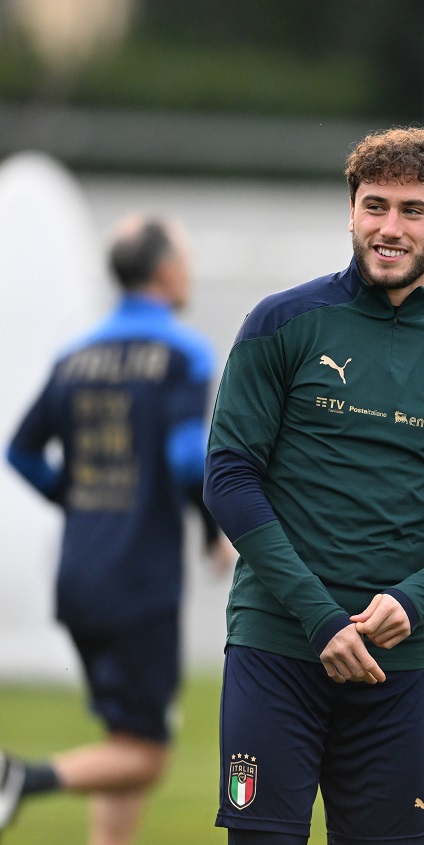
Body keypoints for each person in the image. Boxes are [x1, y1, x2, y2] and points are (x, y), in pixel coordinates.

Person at [201, 126, 424, 845]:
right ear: (351, 212)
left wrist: (414, 597)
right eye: (375, 206)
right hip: (279, 646)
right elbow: (228, 477)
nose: (389, 228)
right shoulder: (282, 324)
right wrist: (320, 617)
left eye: (411, 210)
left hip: (393, 665)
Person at [1, 214, 232, 845]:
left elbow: (18, 453)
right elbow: (188, 457)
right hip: (139, 582)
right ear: (165, 271)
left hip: (77, 574)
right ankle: (21, 779)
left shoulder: (74, 357)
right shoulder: (182, 354)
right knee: (147, 755)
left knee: (123, 739)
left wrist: (77, 504)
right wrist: (215, 529)